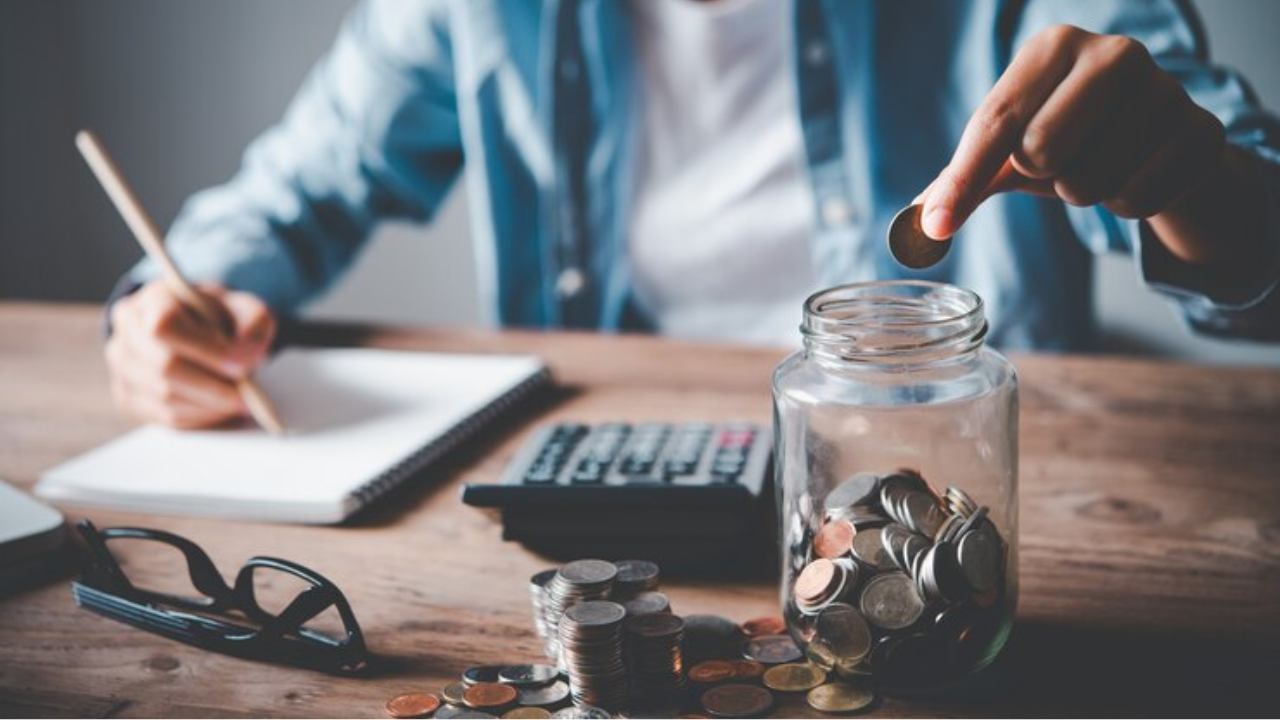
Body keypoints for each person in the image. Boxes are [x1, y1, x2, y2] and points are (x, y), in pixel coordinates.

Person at [105, 0, 1280, 429]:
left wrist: (1189, 179)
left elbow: (1259, 248)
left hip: (972, 490)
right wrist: (171, 304)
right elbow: (292, 191)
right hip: (610, 478)